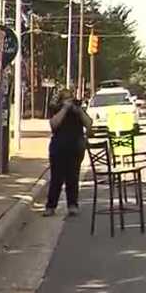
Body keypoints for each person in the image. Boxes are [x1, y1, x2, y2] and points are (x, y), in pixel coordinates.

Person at [44, 89, 93, 217]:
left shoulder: (77, 110)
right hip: (58, 148)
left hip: (75, 147)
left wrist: (79, 110)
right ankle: (50, 206)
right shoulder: (56, 109)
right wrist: (64, 109)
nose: (68, 101)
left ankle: (72, 205)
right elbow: (54, 124)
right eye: (65, 99)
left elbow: (89, 123)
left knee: (73, 177)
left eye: (70, 98)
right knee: (56, 178)